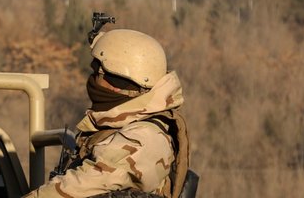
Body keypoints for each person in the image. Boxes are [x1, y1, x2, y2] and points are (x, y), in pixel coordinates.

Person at [27, 29, 193, 198]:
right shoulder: (129, 123)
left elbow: (79, 185)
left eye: (96, 72)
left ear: (115, 83)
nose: (92, 80)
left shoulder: (141, 140)